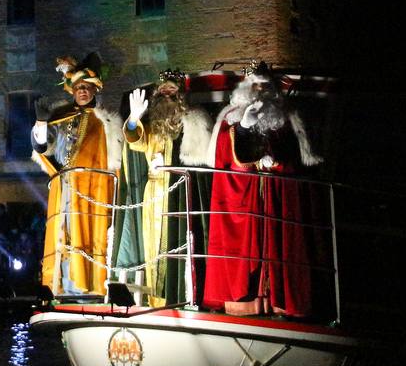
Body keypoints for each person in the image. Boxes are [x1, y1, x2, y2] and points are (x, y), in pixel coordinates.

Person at [203, 63, 324, 317]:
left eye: (265, 85)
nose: (260, 90)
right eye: (255, 84)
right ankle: (247, 304)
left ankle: (280, 301)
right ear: (245, 87)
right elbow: (226, 163)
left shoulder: (285, 118)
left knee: (281, 245)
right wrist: (245, 129)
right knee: (245, 251)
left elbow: (296, 160)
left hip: (277, 194)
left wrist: (277, 163)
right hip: (244, 201)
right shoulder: (230, 119)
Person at [115, 71, 213, 306]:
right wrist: (132, 119)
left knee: (178, 242)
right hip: (154, 193)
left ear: (180, 94)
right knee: (152, 247)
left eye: (172, 90)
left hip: (179, 192)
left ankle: (177, 295)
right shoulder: (153, 125)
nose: (167, 94)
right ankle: (154, 299)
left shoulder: (192, 122)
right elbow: (136, 141)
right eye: (163, 90)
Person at [31, 53, 122, 296]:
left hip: (94, 190)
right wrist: (41, 124)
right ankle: (65, 288)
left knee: (90, 235)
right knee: (65, 235)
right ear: (72, 90)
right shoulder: (60, 117)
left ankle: (91, 287)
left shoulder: (106, 122)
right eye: (79, 87)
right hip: (66, 188)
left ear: (95, 90)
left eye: (87, 87)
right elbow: (43, 149)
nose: (82, 91)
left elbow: (114, 161)